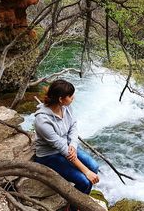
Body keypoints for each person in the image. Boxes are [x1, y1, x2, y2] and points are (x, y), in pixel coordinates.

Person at [34, 79, 99, 211]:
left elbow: (73, 126)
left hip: (68, 147)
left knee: (94, 166)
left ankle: (77, 202)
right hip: (49, 156)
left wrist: (73, 145)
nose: (73, 97)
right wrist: (85, 171)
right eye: (70, 96)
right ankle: (73, 208)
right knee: (85, 180)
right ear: (60, 99)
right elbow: (61, 148)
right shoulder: (42, 121)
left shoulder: (66, 107)